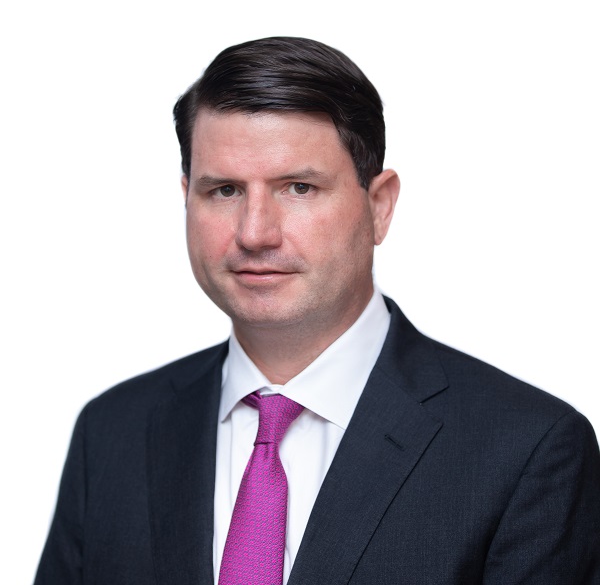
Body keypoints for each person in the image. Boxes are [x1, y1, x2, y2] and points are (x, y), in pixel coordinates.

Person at [35, 36, 600, 585]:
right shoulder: (111, 433)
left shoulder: (528, 449)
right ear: (187, 197)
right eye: (225, 190)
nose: (255, 233)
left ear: (379, 207)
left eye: (298, 188)